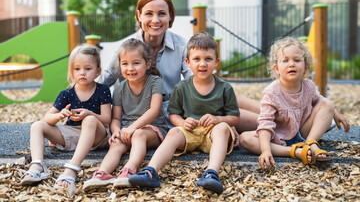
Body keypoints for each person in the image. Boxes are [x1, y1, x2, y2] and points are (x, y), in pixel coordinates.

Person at [129, 31, 240, 194]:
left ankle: (211, 173)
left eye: (208, 59)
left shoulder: (225, 88)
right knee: (173, 132)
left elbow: (235, 118)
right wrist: (182, 123)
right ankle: (151, 171)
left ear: (216, 62)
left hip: (212, 134)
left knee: (223, 128)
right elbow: (173, 114)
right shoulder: (181, 87)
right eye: (197, 59)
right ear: (188, 62)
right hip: (190, 132)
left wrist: (217, 119)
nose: (202, 64)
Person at [238, 37, 350, 170]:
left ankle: (310, 143)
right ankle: (295, 152)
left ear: (306, 67)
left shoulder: (308, 85)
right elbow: (265, 124)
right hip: (278, 138)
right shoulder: (272, 92)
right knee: (245, 138)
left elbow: (319, 100)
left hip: (303, 132)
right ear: (277, 69)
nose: (291, 64)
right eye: (285, 60)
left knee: (326, 102)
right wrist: (266, 150)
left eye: (297, 60)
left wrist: (334, 113)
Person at [20, 44, 112, 197]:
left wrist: (89, 113)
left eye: (87, 69)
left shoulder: (102, 90)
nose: (82, 72)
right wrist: (59, 116)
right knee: (37, 125)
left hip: (96, 136)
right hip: (71, 135)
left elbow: (106, 119)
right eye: (77, 69)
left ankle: (73, 168)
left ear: (97, 71)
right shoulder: (66, 94)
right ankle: (37, 165)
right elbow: (47, 118)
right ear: (71, 71)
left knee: (89, 120)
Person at [97, 0, 192, 128]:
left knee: (235, 112)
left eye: (161, 14)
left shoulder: (182, 46)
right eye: (149, 13)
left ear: (170, 16)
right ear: (139, 15)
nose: (155, 20)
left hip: (171, 118)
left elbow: (196, 81)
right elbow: (105, 80)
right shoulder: (125, 48)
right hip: (131, 119)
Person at [83, 39, 167, 190]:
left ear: (147, 64)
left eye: (136, 63)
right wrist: (116, 131)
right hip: (127, 130)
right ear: (120, 65)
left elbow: (154, 110)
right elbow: (115, 118)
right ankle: (103, 173)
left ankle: (129, 170)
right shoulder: (120, 88)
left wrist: (132, 128)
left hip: (152, 129)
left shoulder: (155, 82)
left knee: (138, 134)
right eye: (125, 64)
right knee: (116, 143)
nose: (130, 68)